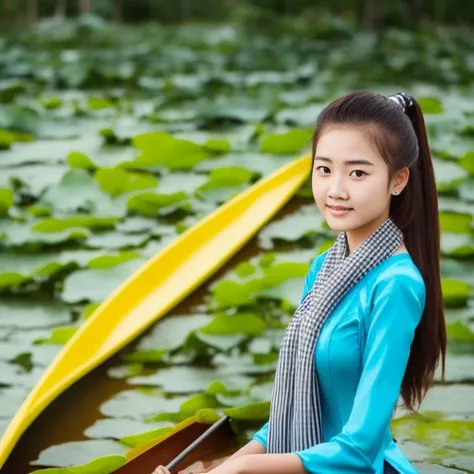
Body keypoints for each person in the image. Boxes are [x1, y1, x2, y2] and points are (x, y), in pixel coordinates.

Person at [152, 90, 446, 474]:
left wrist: (238, 472)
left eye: (357, 172)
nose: (335, 189)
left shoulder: (396, 285)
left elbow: (360, 448)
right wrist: (216, 470)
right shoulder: (324, 267)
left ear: (398, 180)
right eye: (324, 169)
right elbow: (294, 412)